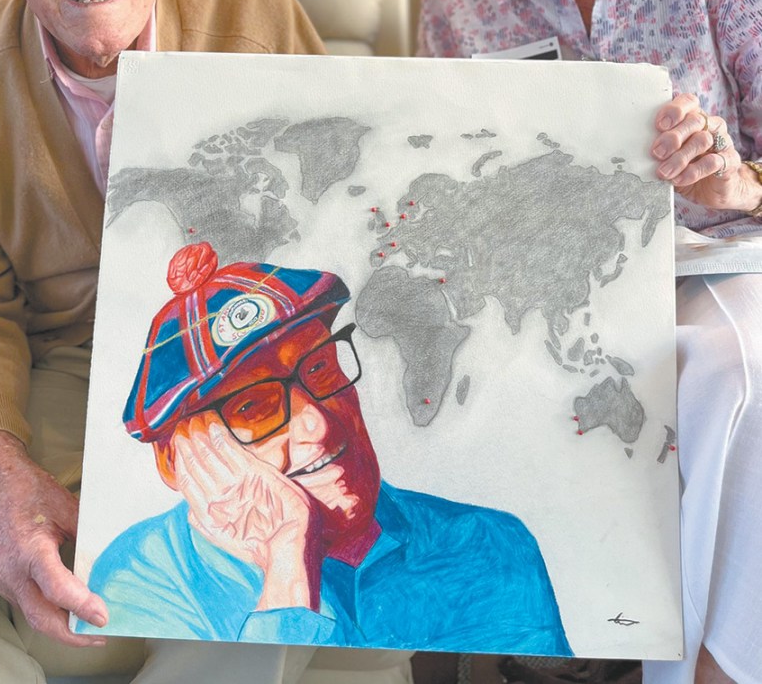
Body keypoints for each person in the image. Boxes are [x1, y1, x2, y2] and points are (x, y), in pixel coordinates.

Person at [0, 0, 410, 684]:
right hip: (60, 358)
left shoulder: (255, 15)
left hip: (249, 356)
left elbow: (348, 230)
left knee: (279, 550)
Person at [418, 0, 762, 684]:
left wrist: (735, 182)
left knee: (724, 373)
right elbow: (436, 169)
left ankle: (707, 667)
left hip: (715, 261)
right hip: (543, 285)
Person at [78, 241, 572, 656]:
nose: (316, 426)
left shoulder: (489, 547)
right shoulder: (138, 581)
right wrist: (287, 569)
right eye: (253, 406)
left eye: (319, 368)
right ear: (175, 460)